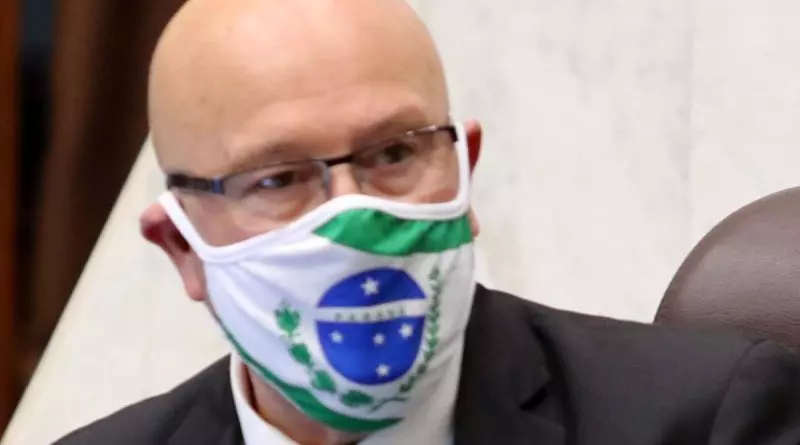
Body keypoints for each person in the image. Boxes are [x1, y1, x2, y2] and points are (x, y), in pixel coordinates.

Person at [54, 0, 800, 444]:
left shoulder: (707, 418)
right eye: (278, 178)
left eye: (394, 153)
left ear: (464, 173)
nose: (356, 222)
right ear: (180, 245)